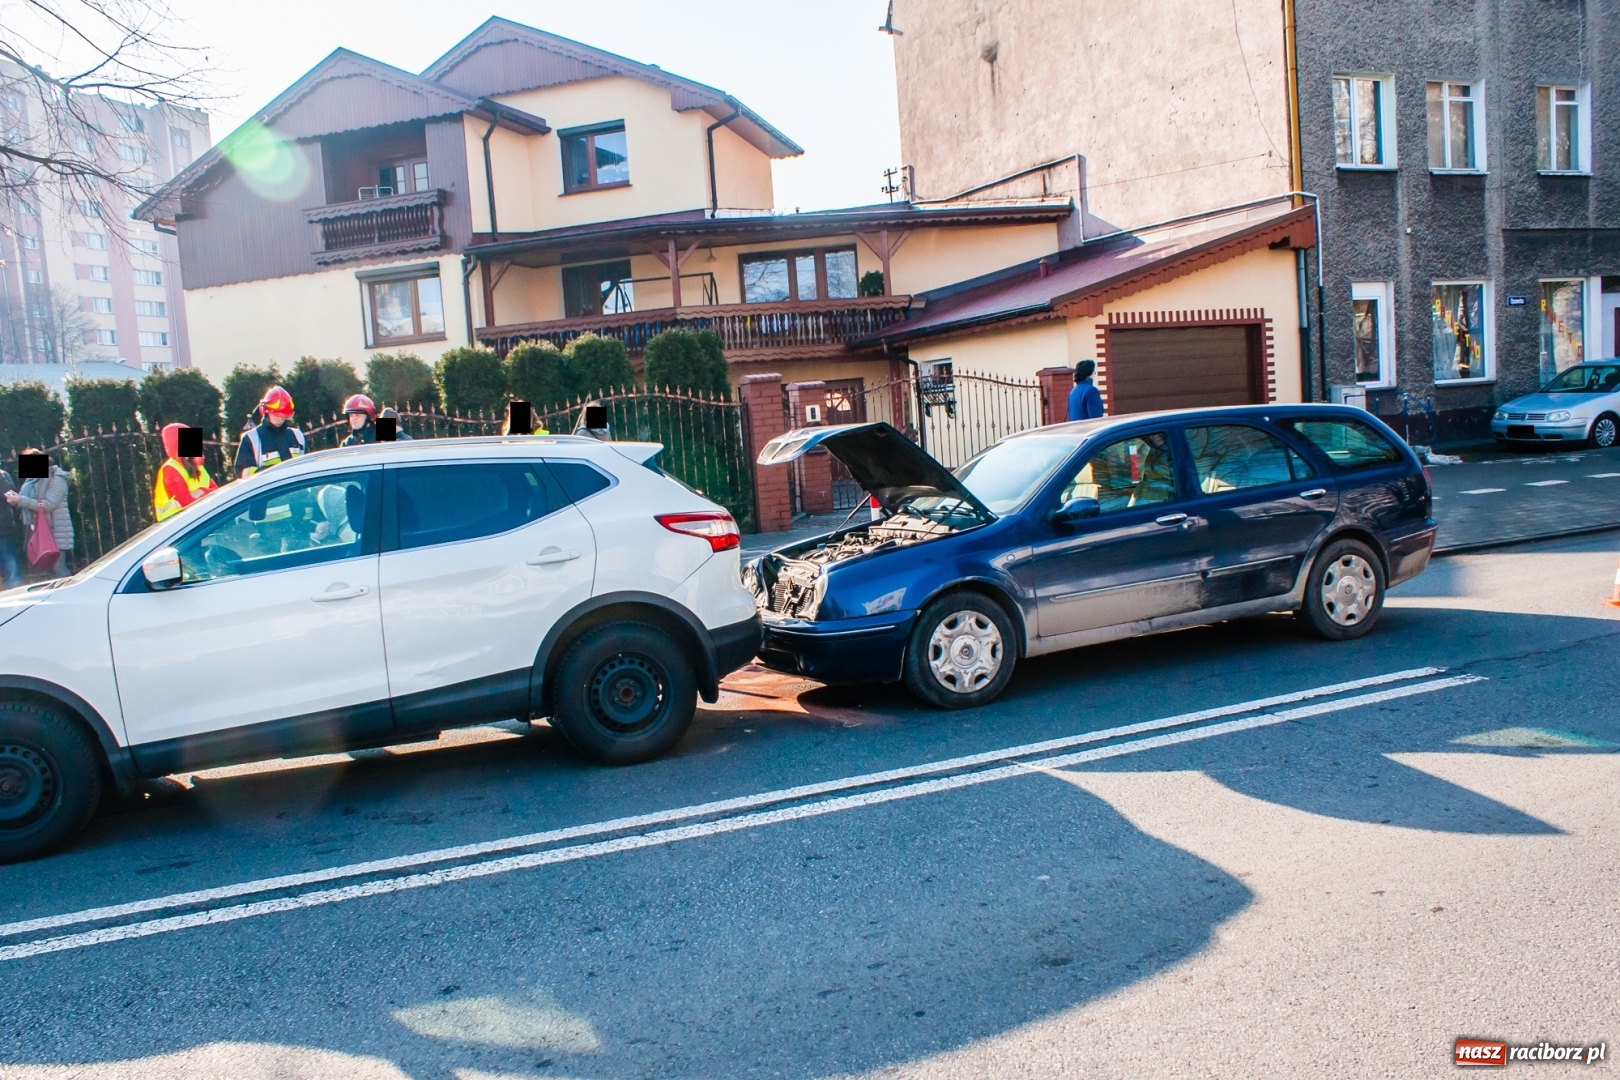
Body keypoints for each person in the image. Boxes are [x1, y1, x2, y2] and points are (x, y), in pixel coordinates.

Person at [6, 451, 73, 579]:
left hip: (56, 530)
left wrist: (21, 500)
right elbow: (33, 502)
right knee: (50, 569)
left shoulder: (56, 479)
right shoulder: (34, 481)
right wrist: (17, 499)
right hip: (42, 529)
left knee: (58, 568)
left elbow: (48, 504)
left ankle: (74, 595)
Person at [234, 385, 307, 478]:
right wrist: (264, 473)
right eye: (277, 415)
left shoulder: (298, 436)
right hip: (270, 491)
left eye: (283, 415)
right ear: (266, 411)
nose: (280, 419)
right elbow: (241, 472)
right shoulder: (251, 439)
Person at [153, 422, 219, 522]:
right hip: (176, 525)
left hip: (198, 520)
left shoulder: (197, 464)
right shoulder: (171, 469)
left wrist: (200, 491)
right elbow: (187, 503)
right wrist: (205, 492)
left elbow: (217, 491)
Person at [0, 465, 22, 589]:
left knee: (11, 569)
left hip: (3, 529)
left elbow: (11, 495)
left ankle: (16, 598)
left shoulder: (3, 475)